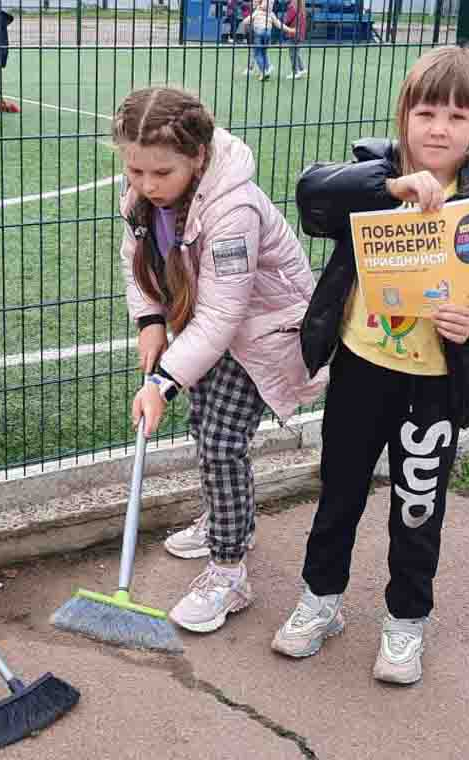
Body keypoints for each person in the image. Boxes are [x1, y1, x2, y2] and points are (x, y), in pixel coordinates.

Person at [280, 45, 469, 684]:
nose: (439, 128)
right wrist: (388, 185)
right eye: (426, 112)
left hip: (435, 387)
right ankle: (321, 600)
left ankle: (405, 622)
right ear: (404, 118)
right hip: (361, 371)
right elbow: (310, 194)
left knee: (418, 505)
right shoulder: (370, 177)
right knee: (338, 492)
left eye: (457, 116)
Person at [114, 86, 327, 634]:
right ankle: (223, 520)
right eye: (135, 170)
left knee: (221, 443)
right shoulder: (143, 195)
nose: (146, 185)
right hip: (207, 325)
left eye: (161, 173)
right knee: (203, 425)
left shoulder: (233, 210)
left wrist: (161, 383)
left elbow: (223, 318)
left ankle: (229, 571)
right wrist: (150, 321)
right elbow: (136, 255)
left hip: (261, 333)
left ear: (199, 157)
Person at [238, 0, 294, 81]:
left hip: (258, 32)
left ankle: (263, 71)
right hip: (267, 33)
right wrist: (289, 30)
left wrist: (250, 23)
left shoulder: (257, 12)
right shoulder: (271, 13)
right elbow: (279, 24)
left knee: (257, 54)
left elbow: (245, 21)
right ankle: (267, 68)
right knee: (263, 52)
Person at [283, 0, 307, 79]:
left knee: (292, 53)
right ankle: (302, 68)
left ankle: (295, 72)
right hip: (300, 32)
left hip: (294, 32)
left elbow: (287, 20)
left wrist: (283, 22)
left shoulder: (292, 6)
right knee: (296, 52)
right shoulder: (301, 6)